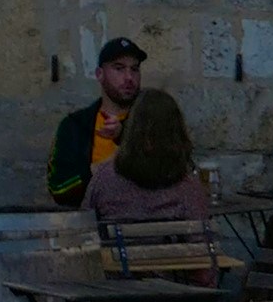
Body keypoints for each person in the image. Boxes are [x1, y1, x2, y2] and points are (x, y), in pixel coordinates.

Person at [91, 85, 222, 274]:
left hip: (117, 294)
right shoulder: (187, 188)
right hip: (174, 296)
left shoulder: (104, 179)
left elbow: (84, 234)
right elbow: (202, 257)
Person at [48, 37, 150, 209]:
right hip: (90, 224)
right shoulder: (75, 126)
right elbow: (59, 188)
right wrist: (97, 171)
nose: (129, 77)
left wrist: (123, 137)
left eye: (134, 69)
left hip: (144, 223)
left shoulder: (152, 121)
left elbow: (171, 173)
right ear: (99, 74)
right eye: (119, 68)